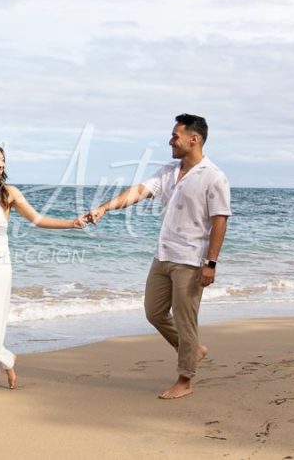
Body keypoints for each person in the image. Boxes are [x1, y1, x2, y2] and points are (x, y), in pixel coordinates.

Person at [87, 114, 231, 399]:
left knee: (185, 320)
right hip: (163, 254)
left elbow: (220, 221)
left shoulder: (214, 176)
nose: (170, 141)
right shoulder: (168, 171)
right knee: (153, 312)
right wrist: (105, 207)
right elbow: (139, 191)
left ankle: (184, 380)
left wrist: (210, 263)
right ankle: (193, 350)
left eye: (175, 136)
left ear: (194, 139)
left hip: (191, 260)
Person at [0, 143, 87, 402]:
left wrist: (72, 223)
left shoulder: (8, 194)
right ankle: (6, 357)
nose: (1, 164)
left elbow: (38, 219)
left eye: (2, 159)